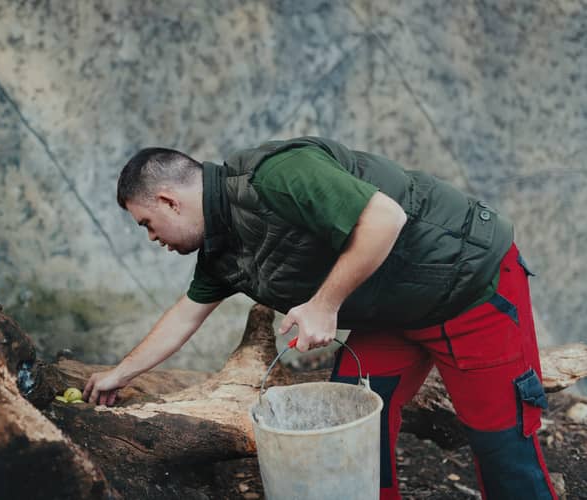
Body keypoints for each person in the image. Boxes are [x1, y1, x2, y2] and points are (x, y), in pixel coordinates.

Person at [83, 136, 557, 499]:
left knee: (502, 441)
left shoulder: (279, 173)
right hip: (395, 314)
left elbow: (384, 219)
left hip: (467, 286)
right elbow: (186, 314)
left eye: (147, 223)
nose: (151, 237)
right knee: (350, 418)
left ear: (169, 200)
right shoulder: (221, 250)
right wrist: (119, 374)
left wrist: (324, 304)